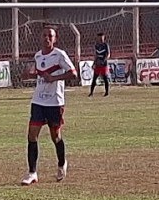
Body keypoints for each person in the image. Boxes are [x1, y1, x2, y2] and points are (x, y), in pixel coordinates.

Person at [21, 27, 78, 185]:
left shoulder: (60, 55)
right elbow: (41, 74)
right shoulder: (38, 56)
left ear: (55, 39)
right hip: (38, 101)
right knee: (32, 135)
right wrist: (30, 75)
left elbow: (73, 73)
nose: (47, 38)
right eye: (44, 35)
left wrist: (55, 78)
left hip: (55, 102)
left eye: (50, 36)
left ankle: (61, 163)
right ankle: (32, 173)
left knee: (56, 136)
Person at [89, 32, 110, 97]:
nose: (100, 39)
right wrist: (94, 63)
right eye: (99, 37)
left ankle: (106, 92)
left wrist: (104, 60)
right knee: (94, 78)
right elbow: (96, 55)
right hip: (98, 64)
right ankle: (91, 93)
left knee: (105, 78)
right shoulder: (96, 45)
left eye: (102, 37)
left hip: (103, 64)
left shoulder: (106, 45)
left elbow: (108, 54)